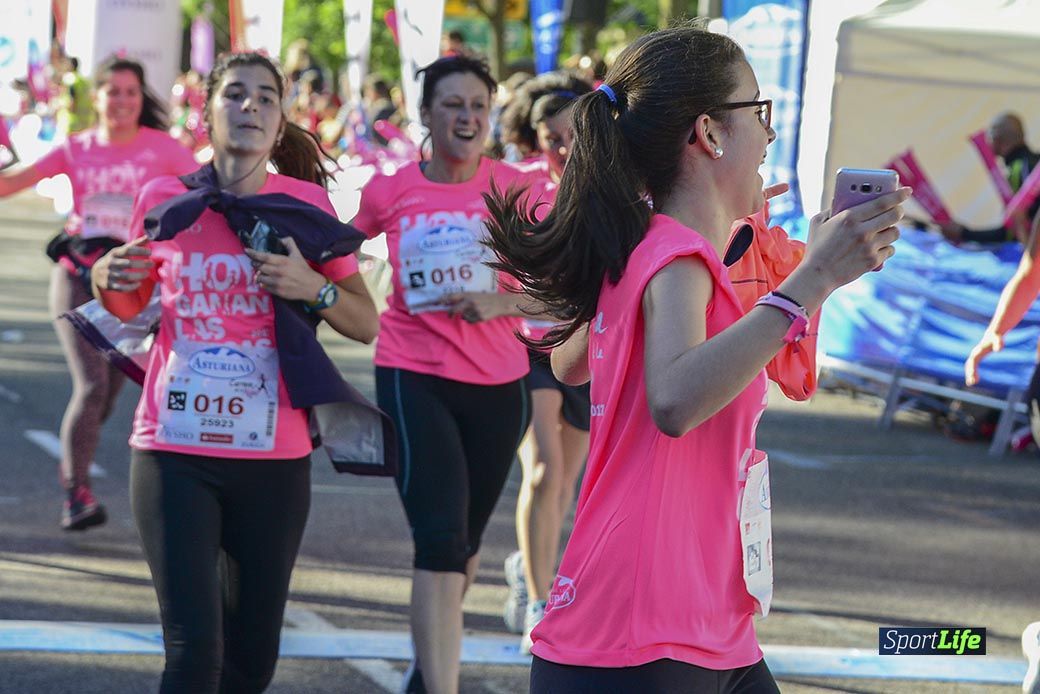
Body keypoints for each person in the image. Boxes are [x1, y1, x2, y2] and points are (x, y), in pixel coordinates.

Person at [485, 26, 908, 692]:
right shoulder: (673, 257)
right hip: (642, 628)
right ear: (709, 133)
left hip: (700, 621)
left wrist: (765, 263)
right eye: (758, 111)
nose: (770, 133)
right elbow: (676, 400)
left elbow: (572, 363)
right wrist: (811, 281)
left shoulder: (654, 248)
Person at [90, 50, 380, 692]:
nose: (250, 106)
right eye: (235, 94)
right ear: (208, 113)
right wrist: (104, 277)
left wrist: (312, 286)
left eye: (265, 98)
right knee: (193, 655)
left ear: (280, 123)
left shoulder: (305, 205)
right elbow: (132, 307)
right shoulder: (164, 199)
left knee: (250, 664)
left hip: (272, 458)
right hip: (172, 449)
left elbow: (365, 321)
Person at [350, 54, 542, 694]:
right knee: (438, 540)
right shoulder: (388, 191)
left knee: (461, 545)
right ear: (427, 113)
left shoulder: (517, 189)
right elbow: (335, 251)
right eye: (453, 105)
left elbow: (572, 288)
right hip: (413, 374)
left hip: (499, 386)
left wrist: (502, 303)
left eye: (478, 107)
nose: (467, 117)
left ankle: (428, 669)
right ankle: (441, 685)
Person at [0, 56, 196, 531]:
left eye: (131, 92)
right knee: (91, 387)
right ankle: (76, 494)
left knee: (105, 395)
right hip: (77, 276)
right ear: (97, 97)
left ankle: (76, 471)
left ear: (141, 98)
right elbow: (13, 184)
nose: (122, 101)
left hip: (132, 287)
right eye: (113, 92)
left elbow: (210, 191)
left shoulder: (163, 149)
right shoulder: (77, 147)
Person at [495, 72, 595, 653]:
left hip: (587, 348)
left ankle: (525, 563)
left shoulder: (610, 190)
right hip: (528, 347)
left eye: (572, 137)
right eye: (552, 139)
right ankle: (540, 600)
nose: (563, 150)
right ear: (534, 140)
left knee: (564, 486)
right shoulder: (520, 186)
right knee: (543, 471)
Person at [940, 112, 1039, 244]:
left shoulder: (1017, 170)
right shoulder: (1034, 163)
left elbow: (1011, 233)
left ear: (997, 139)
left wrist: (964, 233)